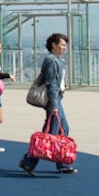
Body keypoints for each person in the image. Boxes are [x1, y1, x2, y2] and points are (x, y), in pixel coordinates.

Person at [19, 32, 76, 176]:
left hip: (56, 99)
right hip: (53, 101)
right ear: (54, 45)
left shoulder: (56, 59)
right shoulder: (51, 60)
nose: (64, 48)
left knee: (61, 129)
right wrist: (54, 105)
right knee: (50, 133)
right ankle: (29, 161)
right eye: (62, 45)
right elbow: (50, 83)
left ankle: (61, 162)